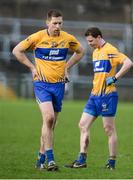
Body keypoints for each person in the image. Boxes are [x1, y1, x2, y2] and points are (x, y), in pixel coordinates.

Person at [12, 9, 84, 171]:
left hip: (59, 85)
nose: (57, 26)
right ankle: (51, 160)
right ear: (47, 23)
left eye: (60, 23)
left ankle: (41, 157)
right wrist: (31, 67)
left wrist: (67, 66)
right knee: (49, 117)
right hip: (42, 84)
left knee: (50, 124)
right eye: (54, 23)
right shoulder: (37, 37)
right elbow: (17, 50)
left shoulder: (67, 38)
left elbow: (80, 51)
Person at [65, 27, 133, 170]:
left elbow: (128, 63)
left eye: (91, 41)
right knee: (83, 125)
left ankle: (111, 163)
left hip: (107, 96)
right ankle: (81, 159)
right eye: (88, 41)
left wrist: (115, 78)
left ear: (99, 37)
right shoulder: (95, 52)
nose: (89, 44)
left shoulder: (110, 50)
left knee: (108, 129)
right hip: (94, 96)